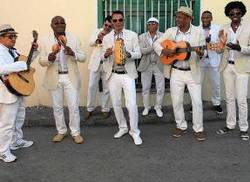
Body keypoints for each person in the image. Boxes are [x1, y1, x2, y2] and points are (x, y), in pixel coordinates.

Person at [154, 6, 206, 141]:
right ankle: (181, 125)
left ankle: (198, 129)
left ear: (189, 18)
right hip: (176, 71)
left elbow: (204, 51)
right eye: (177, 16)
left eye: (181, 17)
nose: (177, 19)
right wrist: (163, 51)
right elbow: (156, 44)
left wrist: (202, 53)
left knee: (197, 102)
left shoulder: (198, 32)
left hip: (192, 71)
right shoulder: (171, 31)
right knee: (177, 101)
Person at [38, 16, 86, 144]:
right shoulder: (45, 40)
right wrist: (49, 58)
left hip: (70, 77)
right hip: (54, 77)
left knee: (73, 107)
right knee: (57, 107)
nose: (59, 24)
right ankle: (61, 131)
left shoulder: (74, 38)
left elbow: (83, 57)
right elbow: (41, 61)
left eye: (62, 22)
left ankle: (75, 133)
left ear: (65, 24)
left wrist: (73, 53)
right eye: (56, 23)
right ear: (51, 25)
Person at [102, 10, 142, 145]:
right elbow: (102, 56)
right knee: (116, 103)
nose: (118, 22)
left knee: (131, 104)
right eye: (115, 20)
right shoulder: (107, 38)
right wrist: (106, 54)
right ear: (112, 22)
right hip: (113, 74)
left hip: (127, 74)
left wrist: (129, 54)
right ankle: (123, 127)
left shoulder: (132, 35)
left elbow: (139, 53)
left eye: (120, 20)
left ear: (123, 21)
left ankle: (135, 132)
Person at [0, 24, 36, 163]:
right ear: (1, 37)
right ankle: (3, 151)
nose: (14, 39)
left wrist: (34, 52)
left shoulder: (12, 51)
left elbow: (24, 63)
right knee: (6, 124)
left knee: (19, 118)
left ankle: (16, 141)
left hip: (17, 88)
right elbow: (2, 68)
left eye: (15, 36)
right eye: (11, 36)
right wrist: (22, 65)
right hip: (6, 91)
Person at [216, 1, 250, 141]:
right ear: (228, 15)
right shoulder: (223, 28)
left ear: (242, 13)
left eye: (237, 13)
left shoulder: (248, 27)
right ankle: (230, 125)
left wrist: (239, 48)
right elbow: (218, 50)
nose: (235, 15)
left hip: (242, 67)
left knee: (241, 99)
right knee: (229, 98)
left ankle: (243, 128)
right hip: (227, 67)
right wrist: (222, 44)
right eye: (232, 14)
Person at [85, 15, 112, 120]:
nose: (107, 27)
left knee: (106, 88)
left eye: (109, 26)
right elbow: (90, 43)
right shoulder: (97, 31)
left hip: (107, 64)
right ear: (103, 24)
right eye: (106, 25)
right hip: (95, 64)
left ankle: (105, 109)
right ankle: (89, 109)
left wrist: (105, 39)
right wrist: (98, 38)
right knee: (92, 86)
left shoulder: (112, 35)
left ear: (112, 27)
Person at [138, 17, 165, 118]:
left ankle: (158, 107)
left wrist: (153, 48)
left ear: (157, 25)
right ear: (147, 25)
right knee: (145, 88)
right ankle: (146, 107)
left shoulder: (163, 36)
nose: (152, 25)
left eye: (154, 23)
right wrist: (155, 46)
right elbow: (142, 51)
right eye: (150, 23)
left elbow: (164, 50)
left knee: (160, 88)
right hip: (146, 65)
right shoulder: (142, 37)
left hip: (159, 64)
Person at [200, 11, 223, 114]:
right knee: (197, 83)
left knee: (216, 83)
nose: (205, 19)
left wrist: (210, 43)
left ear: (211, 18)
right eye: (203, 18)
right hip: (200, 60)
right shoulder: (196, 29)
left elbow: (221, 44)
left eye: (207, 18)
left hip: (214, 60)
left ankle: (217, 103)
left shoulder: (218, 28)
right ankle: (195, 104)